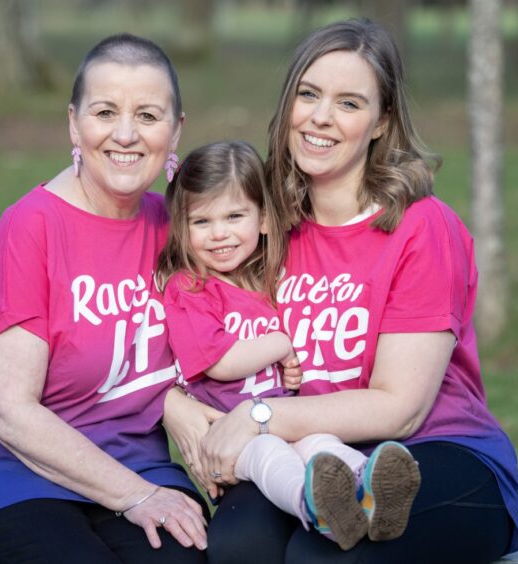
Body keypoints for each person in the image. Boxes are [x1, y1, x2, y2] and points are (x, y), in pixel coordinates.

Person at [164, 19, 518, 564]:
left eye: (349, 103)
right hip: (309, 456)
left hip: (436, 452)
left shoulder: (423, 228)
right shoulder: (259, 223)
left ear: (382, 121)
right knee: (239, 550)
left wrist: (257, 416)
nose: (321, 117)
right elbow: (166, 272)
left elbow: (399, 410)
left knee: (326, 560)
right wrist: (174, 407)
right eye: (308, 94)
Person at [0, 34, 208, 564]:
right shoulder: (32, 229)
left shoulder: (180, 230)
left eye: (147, 115)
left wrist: (177, 407)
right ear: (74, 123)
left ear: (175, 129)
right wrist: (134, 495)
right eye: (104, 112)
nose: (125, 134)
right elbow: (5, 408)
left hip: (135, 462)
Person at [156, 140, 418, 550]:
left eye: (235, 216)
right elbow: (221, 361)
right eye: (201, 222)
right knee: (271, 460)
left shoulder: (263, 282)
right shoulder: (189, 289)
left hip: (279, 418)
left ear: (262, 220)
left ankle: (377, 487)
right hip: (230, 433)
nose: (219, 233)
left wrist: (286, 370)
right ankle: (318, 508)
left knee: (323, 444)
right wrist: (280, 346)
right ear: (181, 229)